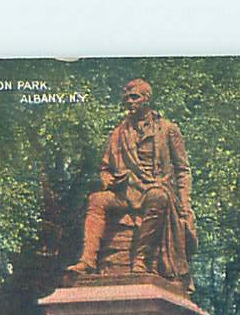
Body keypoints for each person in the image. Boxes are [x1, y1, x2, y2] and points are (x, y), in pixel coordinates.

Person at [67, 79, 197, 289]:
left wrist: (184, 204)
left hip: (154, 188)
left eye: (134, 97)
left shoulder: (168, 129)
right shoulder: (119, 132)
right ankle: (87, 260)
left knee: (158, 197)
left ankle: (141, 260)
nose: (129, 102)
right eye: (126, 98)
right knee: (96, 200)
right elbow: (104, 168)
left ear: (147, 99)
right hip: (126, 190)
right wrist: (107, 179)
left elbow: (183, 170)